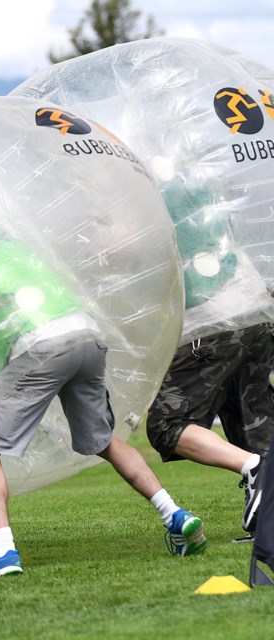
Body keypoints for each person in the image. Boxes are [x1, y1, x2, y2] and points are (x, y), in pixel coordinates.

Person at [0, 209, 207, 577]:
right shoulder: (12, 249)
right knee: (106, 440)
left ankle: (2, 553)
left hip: (38, 347)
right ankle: (175, 515)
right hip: (86, 337)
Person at [144, 168, 270, 537]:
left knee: (167, 425)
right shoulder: (203, 179)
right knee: (253, 417)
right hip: (258, 311)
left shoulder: (154, 187)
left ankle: (255, 469)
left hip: (212, 321)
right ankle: (271, 518)